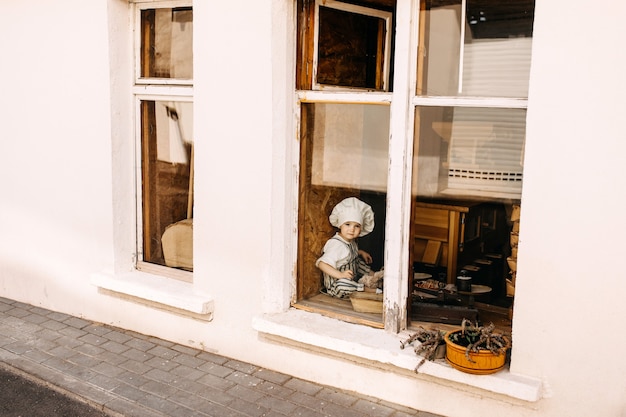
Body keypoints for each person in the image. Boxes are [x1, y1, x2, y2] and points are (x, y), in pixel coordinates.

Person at [316, 197, 377, 299]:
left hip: (351, 277)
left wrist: (360, 252)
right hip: (337, 285)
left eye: (356, 226)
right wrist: (340, 275)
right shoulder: (336, 244)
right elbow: (322, 264)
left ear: (361, 228)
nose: (351, 229)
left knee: (358, 262)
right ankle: (368, 289)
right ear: (340, 225)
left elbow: (348, 254)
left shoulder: (350, 241)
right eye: (347, 224)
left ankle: (375, 277)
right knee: (343, 285)